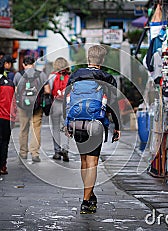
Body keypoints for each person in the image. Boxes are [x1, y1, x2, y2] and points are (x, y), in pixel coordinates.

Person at [64, 45, 121, 214]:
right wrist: (117, 127)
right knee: (92, 163)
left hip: (76, 123)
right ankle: (85, 200)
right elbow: (113, 104)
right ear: (102, 61)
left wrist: (66, 123)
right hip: (95, 124)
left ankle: (89, 194)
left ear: (88, 58)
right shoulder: (107, 77)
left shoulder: (75, 75)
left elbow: (66, 99)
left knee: (84, 161)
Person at [14, 56, 50, 162]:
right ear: (34, 64)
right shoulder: (41, 75)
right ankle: (35, 154)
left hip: (23, 107)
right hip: (37, 106)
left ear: (23, 65)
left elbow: (16, 91)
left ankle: (23, 153)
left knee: (23, 129)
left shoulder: (18, 75)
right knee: (36, 129)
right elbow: (47, 90)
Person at [48, 57, 70, 161]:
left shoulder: (52, 76)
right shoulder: (70, 77)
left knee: (55, 128)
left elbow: (48, 91)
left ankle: (57, 152)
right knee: (65, 129)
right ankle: (65, 149)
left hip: (55, 104)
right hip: (67, 105)